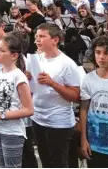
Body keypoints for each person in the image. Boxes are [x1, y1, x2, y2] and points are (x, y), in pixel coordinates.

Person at [30, 23, 81, 168]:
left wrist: (52, 83)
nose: (37, 40)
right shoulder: (37, 59)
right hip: (38, 117)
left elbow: (75, 96)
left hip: (58, 121)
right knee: (45, 161)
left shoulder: (67, 63)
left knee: (58, 163)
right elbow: (32, 89)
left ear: (55, 40)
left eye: (41, 36)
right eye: (36, 37)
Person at [0, 33, 34, 168]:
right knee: (1, 165)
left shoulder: (18, 76)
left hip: (12, 131)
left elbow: (29, 109)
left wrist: (1, 115)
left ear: (14, 55)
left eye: (2, 50)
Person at [80, 36, 108, 168]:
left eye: (107, 53)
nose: (101, 57)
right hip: (94, 144)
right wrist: (83, 139)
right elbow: (84, 109)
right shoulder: (88, 79)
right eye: (98, 52)